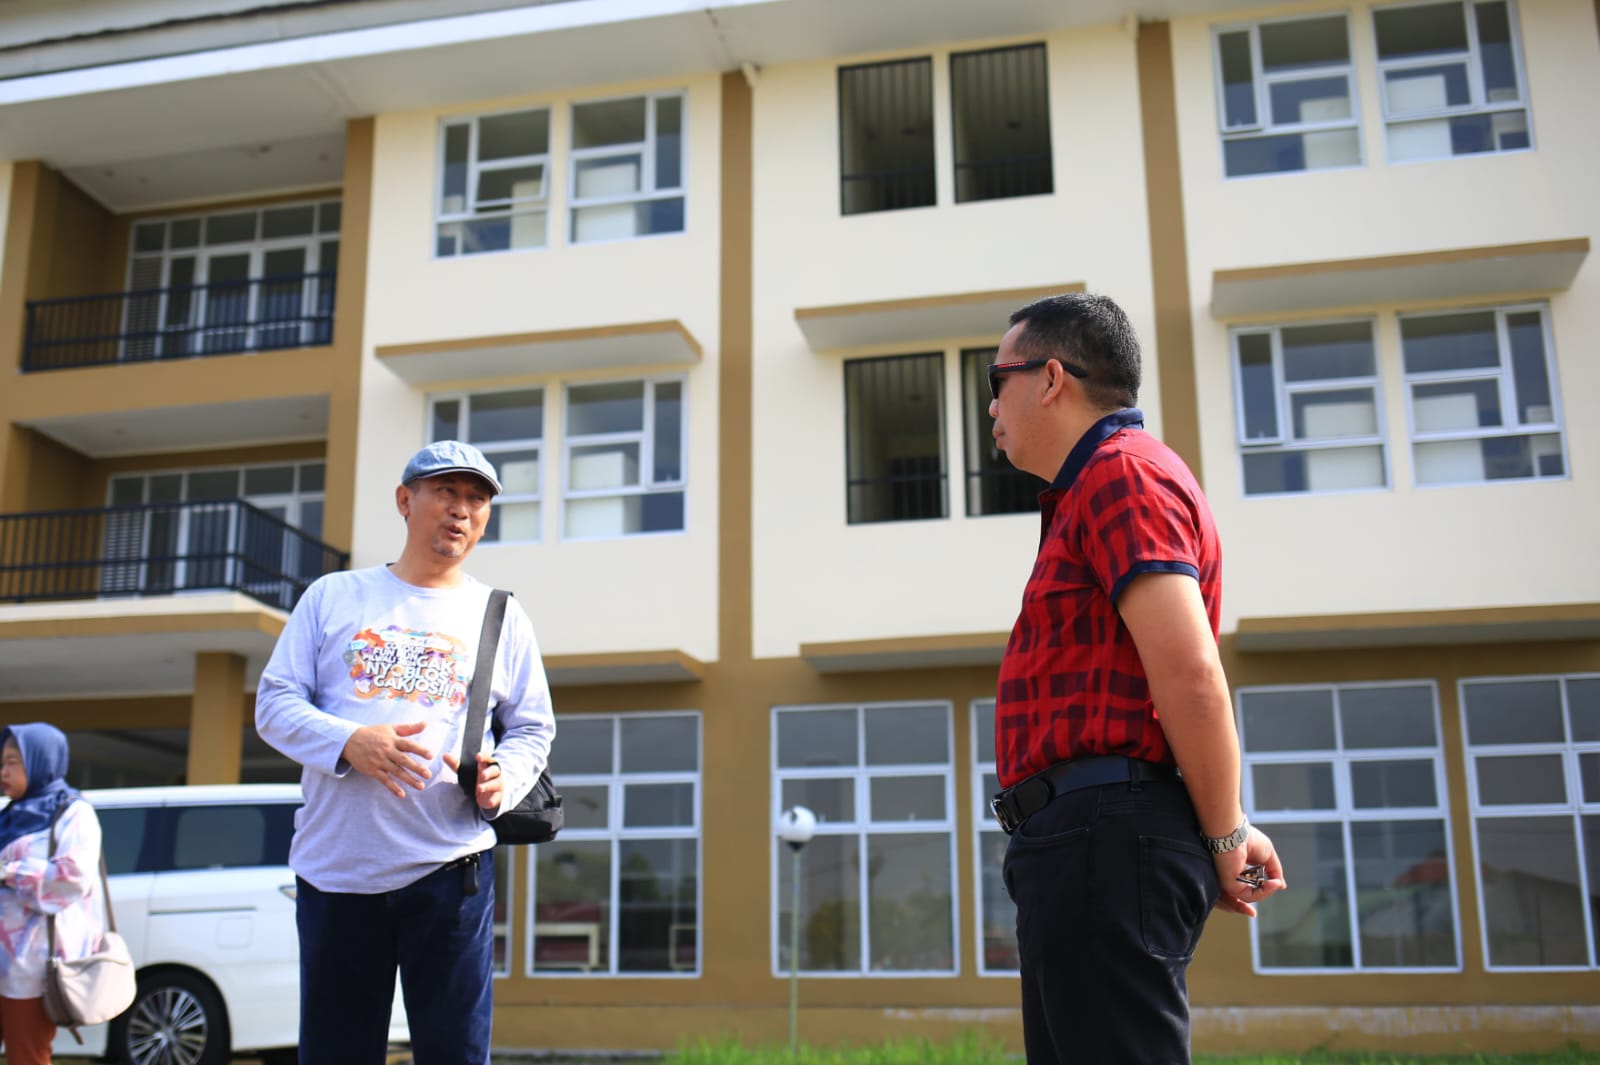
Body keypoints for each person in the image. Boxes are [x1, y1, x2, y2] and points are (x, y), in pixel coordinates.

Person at [986, 294, 1286, 1064]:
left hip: (1104, 839)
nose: (991, 405)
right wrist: (1220, 821)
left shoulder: (1121, 474)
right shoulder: (1099, 484)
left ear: (1052, 378)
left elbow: (1191, 673)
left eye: (998, 379)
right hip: (1089, 838)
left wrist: (1225, 829)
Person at [256, 440, 555, 1065]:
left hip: (451, 869)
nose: (462, 510)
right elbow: (274, 705)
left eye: (477, 500)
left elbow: (532, 728)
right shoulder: (333, 596)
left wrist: (504, 777)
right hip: (337, 871)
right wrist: (349, 741)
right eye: (446, 492)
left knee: (455, 1055)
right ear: (404, 500)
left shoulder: (501, 614)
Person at [0, 723, 106, 1065]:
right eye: (1, 763)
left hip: (30, 967)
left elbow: (72, 877)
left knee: (26, 1055)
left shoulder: (73, 813)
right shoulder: (8, 816)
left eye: (13, 761)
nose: (3, 772)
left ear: (39, 760)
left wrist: (9, 872)